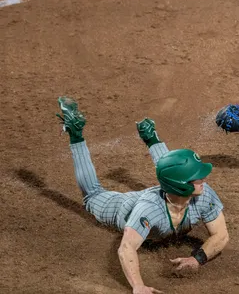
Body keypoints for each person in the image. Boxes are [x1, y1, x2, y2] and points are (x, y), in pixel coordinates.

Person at [56, 96, 229, 294]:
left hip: (167, 194)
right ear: (182, 186)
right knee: (92, 195)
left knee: (171, 168)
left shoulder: (204, 195)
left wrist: (197, 259)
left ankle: (151, 138)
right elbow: (126, 248)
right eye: (197, 178)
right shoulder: (148, 209)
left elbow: (221, 235)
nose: (204, 179)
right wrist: (138, 286)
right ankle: (75, 134)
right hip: (123, 207)